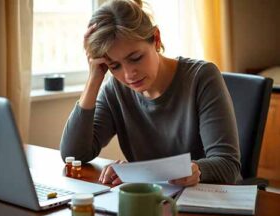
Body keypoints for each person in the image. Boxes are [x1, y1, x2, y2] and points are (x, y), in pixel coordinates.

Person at [60, 0, 241, 186]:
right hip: (153, 201)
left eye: (136, 58)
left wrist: (194, 169)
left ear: (156, 38)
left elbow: (228, 166)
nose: (129, 75)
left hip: (207, 202)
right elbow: (73, 155)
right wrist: (93, 79)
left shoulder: (201, 77)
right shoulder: (115, 90)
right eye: (115, 66)